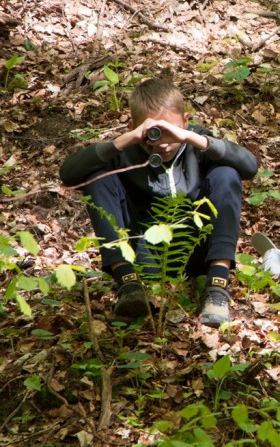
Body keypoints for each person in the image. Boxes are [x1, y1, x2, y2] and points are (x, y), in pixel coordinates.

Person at [59, 77, 258, 327]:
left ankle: (217, 288)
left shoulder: (195, 143)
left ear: (186, 121)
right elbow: (68, 174)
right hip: (145, 255)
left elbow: (250, 167)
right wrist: (126, 140)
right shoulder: (126, 151)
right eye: (155, 132)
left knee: (226, 174)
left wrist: (189, 138)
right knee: (98, 176)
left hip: (196, 251)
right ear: (135, 126)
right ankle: (128, 284)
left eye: (171, 131)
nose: (163, 143)